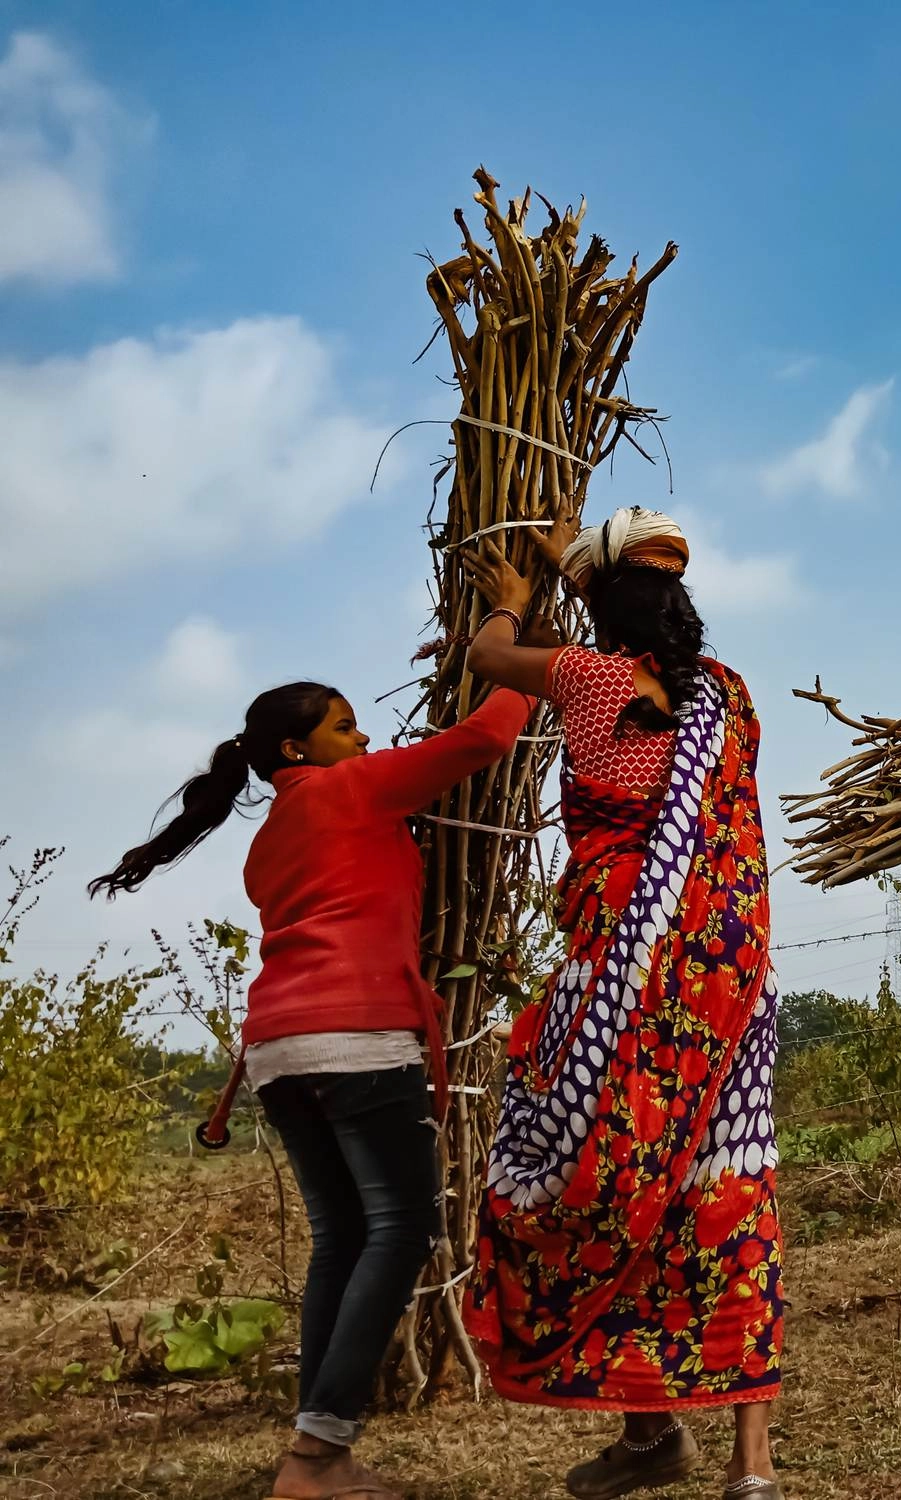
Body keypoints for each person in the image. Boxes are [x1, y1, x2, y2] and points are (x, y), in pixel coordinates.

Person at [91, 678, 534, 1499]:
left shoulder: (271, 838)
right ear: (297, 750)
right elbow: (485, 738)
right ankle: (315, 1454)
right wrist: (514, 648)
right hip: (357, 1039)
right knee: (401, 1232)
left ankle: (318, 1451)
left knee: (342, 1237)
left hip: (277, 1052)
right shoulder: (354, 788)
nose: (364, 741)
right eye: (345, 727)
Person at [459, 507, 784, 1500]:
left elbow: (487, 654)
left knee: (614, 1179)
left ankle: (649, 1431)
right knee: (723, 1189)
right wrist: (583, 574)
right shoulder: (729, 699)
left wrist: (519, 598)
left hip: (625, 979)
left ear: (598, 606)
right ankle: (742, 1464)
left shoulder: (588, 678)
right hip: (727, 982)